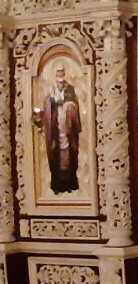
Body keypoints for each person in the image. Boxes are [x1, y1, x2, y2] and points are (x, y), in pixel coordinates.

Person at [39, 64, 82, 194]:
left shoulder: (70, 88)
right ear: (55, 73)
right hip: (55, 124)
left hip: (67, 125)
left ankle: (70, 183)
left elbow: (74, 104)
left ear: (64, 72)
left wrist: (69, 105)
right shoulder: (51, 88)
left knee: (70, 151)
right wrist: (51, 102)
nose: (60, 73)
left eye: (62, 71)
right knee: (55, 151)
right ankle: (57, 184)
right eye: (58, 71)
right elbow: (47, 103)